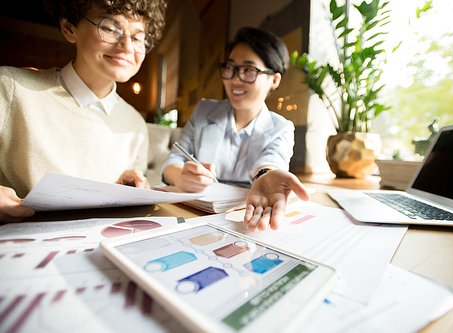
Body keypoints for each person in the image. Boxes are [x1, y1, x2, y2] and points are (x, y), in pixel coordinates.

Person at [0, 0, 167, 222]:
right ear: (70, 27)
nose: (127, 47)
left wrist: (128, 188)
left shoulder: (135, 124)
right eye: (109, 28)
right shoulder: (10, 88)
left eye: (137, 37)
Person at [162, 26, 310, 230]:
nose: (234, 79)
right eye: (230, 68)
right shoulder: (204, 111)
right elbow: (173, 160)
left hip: (239, 223)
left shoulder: (281, 128)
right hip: (190, 216)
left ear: (274, 80)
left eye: (249, 70)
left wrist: (265, 175)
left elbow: (271, 162)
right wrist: (180, 177)